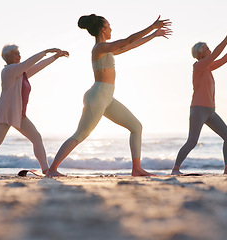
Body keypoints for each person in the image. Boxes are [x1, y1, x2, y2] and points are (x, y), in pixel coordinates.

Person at [46, 14, 172, 177]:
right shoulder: (99, 48)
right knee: (81, 134)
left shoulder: (106, 49)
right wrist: (152, 27)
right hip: (97, 96)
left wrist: (153, 36)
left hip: (107, 98)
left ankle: (137, 168)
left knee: (136, 127)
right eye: (109, 26)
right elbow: (128, 41)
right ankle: (52, 169)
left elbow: (130, 46)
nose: (112, 29)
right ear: (103, 29)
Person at [0, 45, 69, 176]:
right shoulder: (9, 70)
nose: (18, 55)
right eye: (15, 54)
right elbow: (28, 63)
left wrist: (55, 56)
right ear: (8, 57)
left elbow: (38, 66)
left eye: (18, 53)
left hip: (19, 114)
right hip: (5, 112)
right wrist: (45, 51)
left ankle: (46, 170)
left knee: (36, 138)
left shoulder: (21, 73)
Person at [171, 22, 227, 175]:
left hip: (210, 111)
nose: (209, 50)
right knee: (192, 142)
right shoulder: (198, 66)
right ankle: (175, 169)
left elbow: (224, 58)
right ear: (200, 54)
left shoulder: (208, 67)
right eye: (206, 49)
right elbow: (216, 55)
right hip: (198, 109)